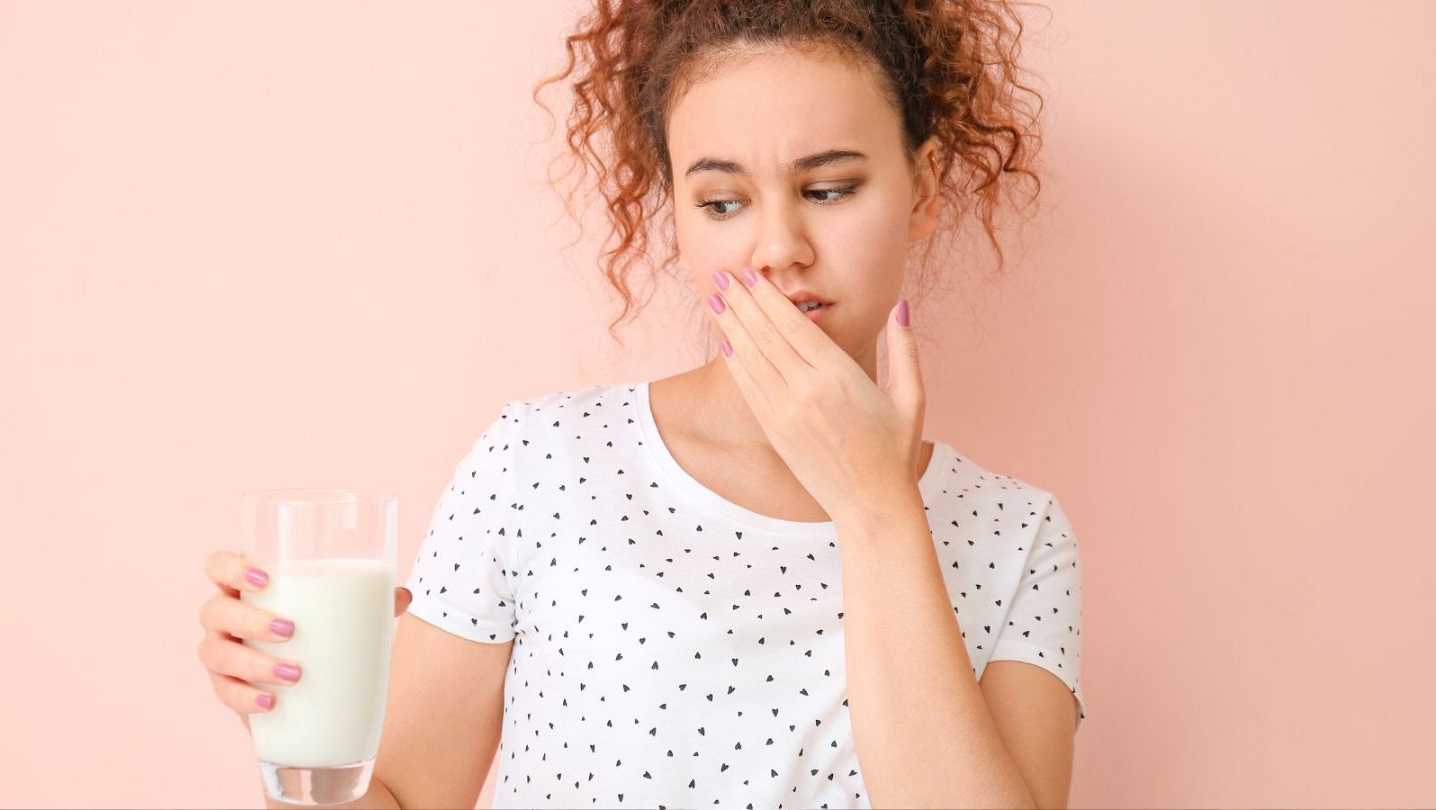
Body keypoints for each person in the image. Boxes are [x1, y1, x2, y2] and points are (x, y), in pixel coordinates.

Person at [198, 0, 1086, 807]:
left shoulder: (1016, 537)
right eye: (723, 201)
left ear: (923, 189)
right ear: (678, 214)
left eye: (828, 189)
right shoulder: (537, 466)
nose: (778, 247)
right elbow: (398, 794)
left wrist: (876, 508)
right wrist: (302, 733)